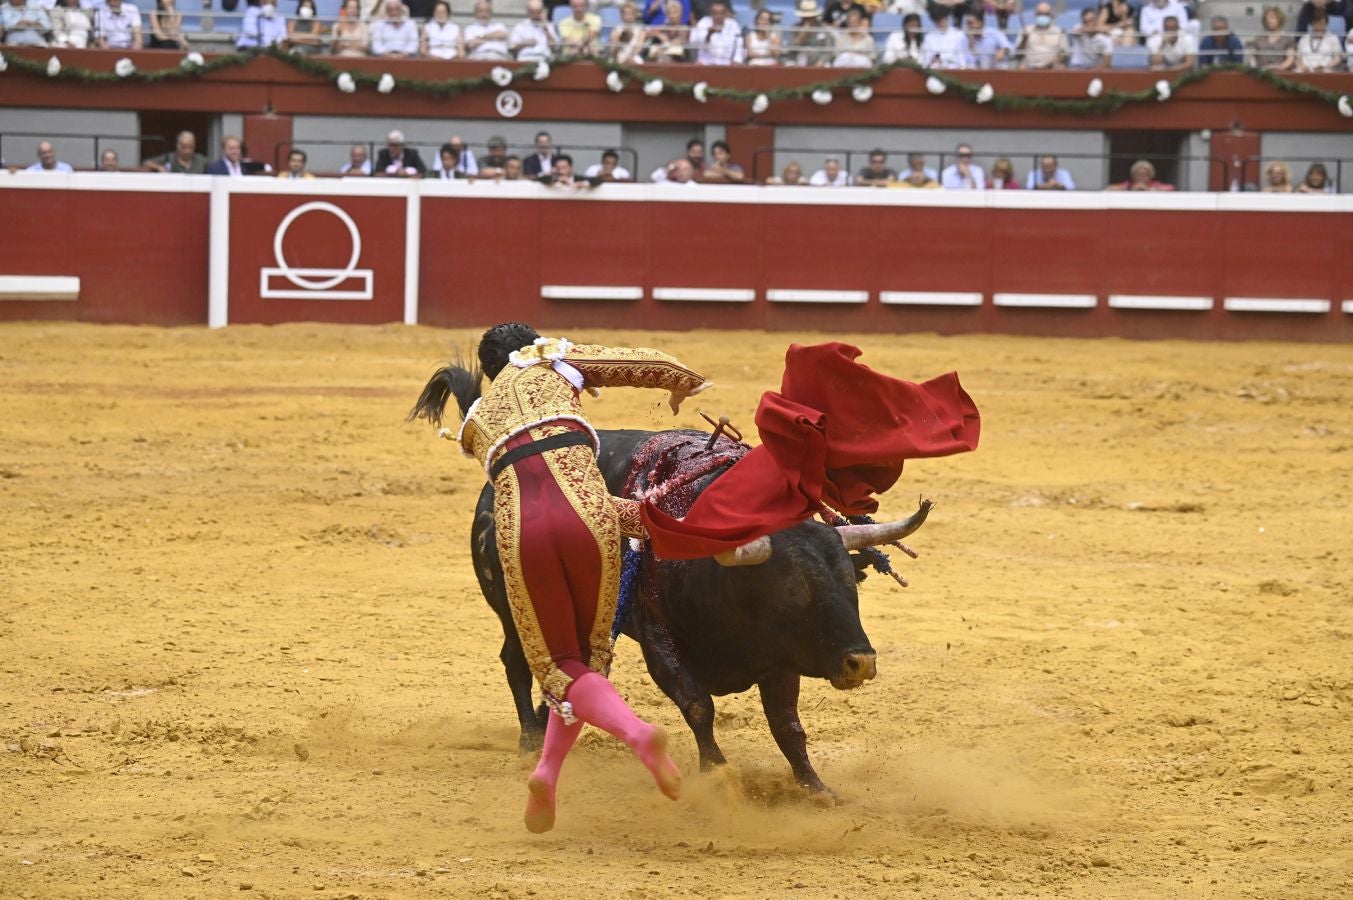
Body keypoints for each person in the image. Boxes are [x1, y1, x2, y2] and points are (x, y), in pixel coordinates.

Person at [408, 323, 707, 833]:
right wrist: (685, 383)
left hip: (520, 532)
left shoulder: (478, 422)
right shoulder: (547, 361)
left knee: (561, 667)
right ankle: (631, 735)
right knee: (587, 662)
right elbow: (642, 362)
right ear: (530, 346)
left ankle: (550, 770)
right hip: (590, 513)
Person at [1016, 2, 1067, 69]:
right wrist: (1024, 39)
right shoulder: (1026, 30)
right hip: (1030, 67)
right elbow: (1018, 55)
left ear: (1051, 15)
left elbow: (1064, 54)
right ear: (1035, 15)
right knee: (1021, 67)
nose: (1043, 16)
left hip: (1051, 66)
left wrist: (1051, 64)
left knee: (1061, 68)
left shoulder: (1059, 31)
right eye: (1040, 14)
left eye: (1046, 14)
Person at [691, 0, 744, 64]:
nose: (718, 16)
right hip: (706, 62)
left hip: (727, 63)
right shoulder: (703, 23)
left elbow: (738, 45)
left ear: (726, 14)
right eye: (715, 13)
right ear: (711, 13)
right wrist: (709, 35)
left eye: (721, 13)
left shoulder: (733, 24)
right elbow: (694, 43)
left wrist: (737, 60)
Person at [787, 0, 833, 66]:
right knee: (790, 64)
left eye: (810, 17)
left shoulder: (823, 29)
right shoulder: (795, 28)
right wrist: (801, 35)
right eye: (805, 17)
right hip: (799, 59)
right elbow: (790, 50)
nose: (807, 19)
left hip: (819, 60)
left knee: (827, 65)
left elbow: (829, 50)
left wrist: (821, 61)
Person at [1107, 159, 1174, 191]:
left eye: (1145, 175)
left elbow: (1171, 188)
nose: (1141, 177)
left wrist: (1149, 189)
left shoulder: (1155, 184)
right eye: (1138, 175)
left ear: (1150, 175)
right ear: (1133, 175)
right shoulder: (1129, 184)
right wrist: (1130, 189)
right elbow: (1110, 188)